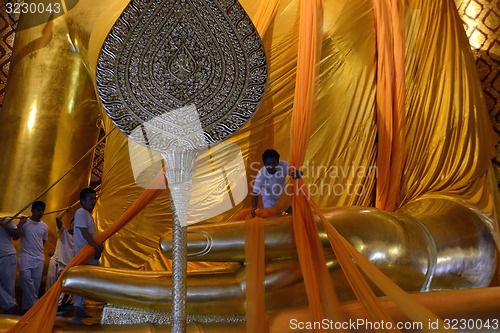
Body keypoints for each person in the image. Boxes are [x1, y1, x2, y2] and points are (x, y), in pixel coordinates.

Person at [72, 187, 102, 320]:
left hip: (89, 253)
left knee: (95, 278)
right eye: (90, 199)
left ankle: (80, 306)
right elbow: (84, 232)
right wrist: (96, 246)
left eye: (94, 198)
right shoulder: (81, 212)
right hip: (83, 253)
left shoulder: (88, 214)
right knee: (82, 281)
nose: (94, 201)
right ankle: (77, 307)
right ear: (82, 201)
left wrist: (96, 249)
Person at [18, 201, 48, 313]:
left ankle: (27, 309)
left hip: (39, 258)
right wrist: (20, 223)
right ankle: (36, 304)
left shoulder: (44, 226)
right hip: (25, 257)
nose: (41, 213)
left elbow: (43, 242)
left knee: (35, 286)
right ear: (32, 210)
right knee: (26, 281)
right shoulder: (25, 222)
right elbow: (17, 236)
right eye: (38, 210)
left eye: (42, 210)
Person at [251, 149, 300, 217]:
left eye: (274, 163)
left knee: (295, 214)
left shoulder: (283, 165)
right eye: (268, 164)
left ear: (278, 162)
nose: (271, 166)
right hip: (269, 201)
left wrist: (299, 173)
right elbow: (255, 193)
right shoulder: (261, 174)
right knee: (273, 221)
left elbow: (295, 173)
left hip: (283, 198)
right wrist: (254, 208)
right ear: (264, 164)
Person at [45, 208, 74, 310]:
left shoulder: (79, 239)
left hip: (67, 266)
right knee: (50, 286)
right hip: (57, 262)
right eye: (73, 223)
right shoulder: (64, 232)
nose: (75, 226)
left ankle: (58, 306)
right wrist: (65, 211)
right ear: (71, 224)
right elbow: (57, 218)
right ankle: (47, 305)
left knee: (62, 288)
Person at [0, 217, 20, 314]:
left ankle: (9, 310)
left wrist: (3, 225)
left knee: (8, 286)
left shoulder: (6, 220)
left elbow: (16, 235)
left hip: (7, 255)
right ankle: (10, 305)